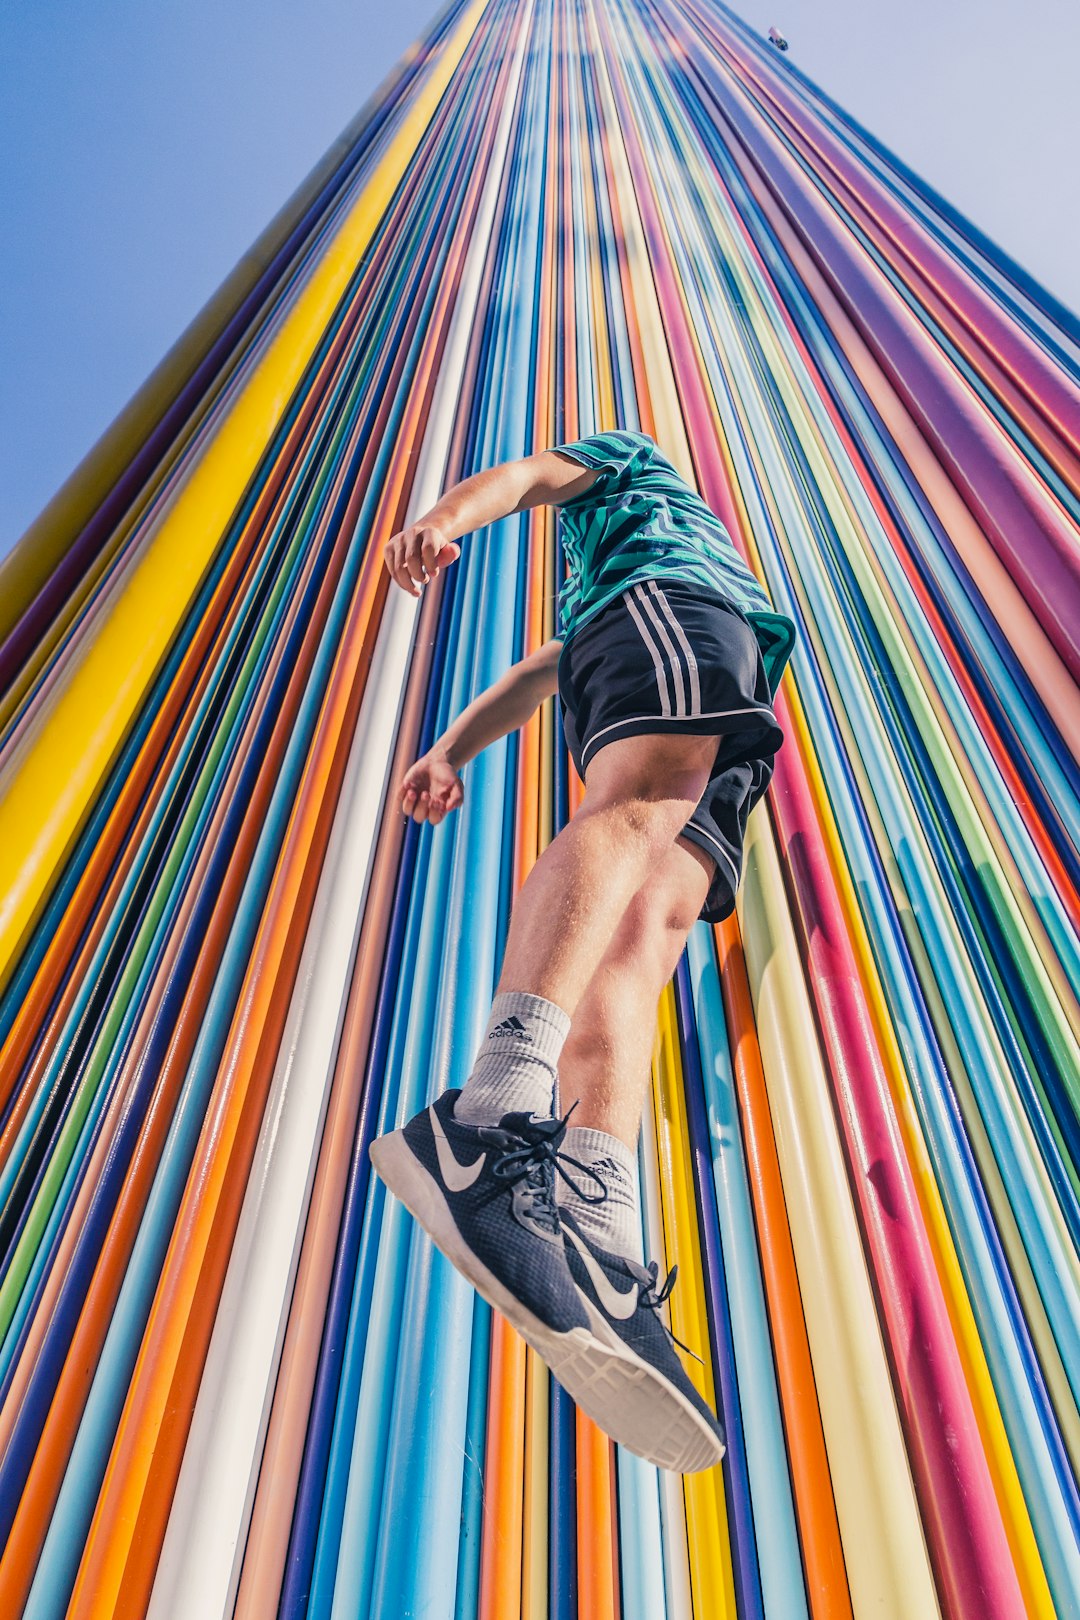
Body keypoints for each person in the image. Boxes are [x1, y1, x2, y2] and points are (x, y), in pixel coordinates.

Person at [369, 429, 796, 1473]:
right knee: (640, 798)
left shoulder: (600, 595)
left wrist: (447, 750)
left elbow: (540, 673)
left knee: (646, 938)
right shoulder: (641, 482)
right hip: (683, 630)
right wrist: (445, 518)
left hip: (729, 700)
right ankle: (490, 1115)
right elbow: (526, 475)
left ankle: (595, 1233)